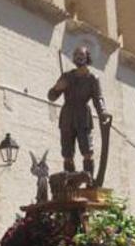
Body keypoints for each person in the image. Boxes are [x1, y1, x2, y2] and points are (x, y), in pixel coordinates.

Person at [47, 45, 112, 176]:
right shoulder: (66, 76)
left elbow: (98, 98)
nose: (78, 57)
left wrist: (103, 111)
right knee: (67, 153)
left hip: (83, 116)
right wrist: (57, 88)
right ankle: (70, 183)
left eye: (81, 55)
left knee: (87, 151)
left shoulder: (92, 78)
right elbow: (51, 97)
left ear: (87, 57)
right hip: (67, 116)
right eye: (76, 55)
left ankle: (89, 182)